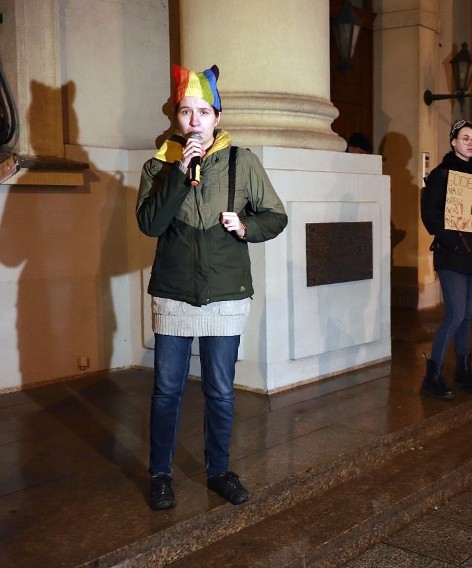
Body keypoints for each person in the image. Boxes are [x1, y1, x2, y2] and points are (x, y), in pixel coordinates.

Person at [136, 64, 288, 510]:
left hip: (225, 291)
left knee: (220, 388)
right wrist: (178, 176)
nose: (196, 120)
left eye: (205, 111)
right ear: (176, 118)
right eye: (187, 111)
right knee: (167, 388)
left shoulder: (243, 161)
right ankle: (160, 474)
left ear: (218, 117)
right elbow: (149, 224)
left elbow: (275, 216)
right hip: (174, 290)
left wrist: (245, 225)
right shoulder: (158, 165)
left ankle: (219, 470)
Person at [419, 120, 472, 399]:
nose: (471, 142)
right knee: (454, 314)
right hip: (453, 254)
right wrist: (453, 242)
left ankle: (463, 370)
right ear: (453, 142)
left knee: (466, 316)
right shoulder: (441, 175)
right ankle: (433, 375)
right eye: (465, 138)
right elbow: (430, 216)